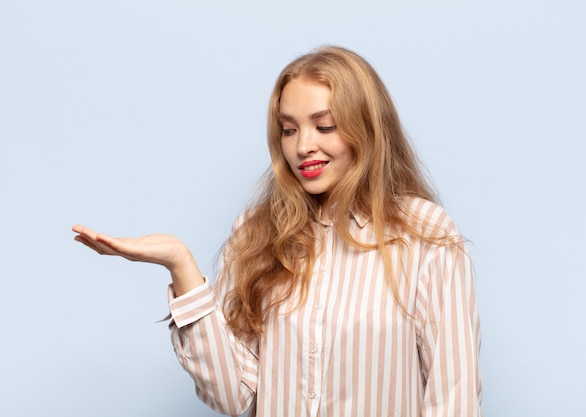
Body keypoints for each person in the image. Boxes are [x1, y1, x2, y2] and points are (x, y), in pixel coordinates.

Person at [72, 46, 482, 417]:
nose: (303, 146)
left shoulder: (422, 234)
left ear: (368, 130)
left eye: (324, 127)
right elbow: (235, 397)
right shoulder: (256, 235)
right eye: (289, 129)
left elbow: (455, 401)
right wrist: (182, 266)